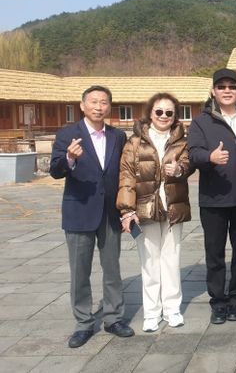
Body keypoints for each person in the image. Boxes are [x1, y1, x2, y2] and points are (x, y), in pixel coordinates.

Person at [50, 85, 134, 348]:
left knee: (112, 268)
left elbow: (124, 172)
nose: (99, 107)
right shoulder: (67, 135)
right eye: (94, 102)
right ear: (82, 105)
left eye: (104, 102)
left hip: (109, 212)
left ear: (110, 106)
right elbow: (55, 170)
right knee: (80, 271)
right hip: (79, 210)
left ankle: (114, 318)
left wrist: (126, 209)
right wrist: (69, 158)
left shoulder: (118, 136)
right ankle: (84, 323)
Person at [188, 69, 236, 324]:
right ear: (213, 91)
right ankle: (218, 301)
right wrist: (210, 157)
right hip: (213, 198)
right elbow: (192, 154)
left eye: (232, 86)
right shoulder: (201, 121)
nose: (227, 90)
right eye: (221, 86)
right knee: (215, 253)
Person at [116, 93, 191, 332]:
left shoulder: (181, 141)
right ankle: (151, 312)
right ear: (150, 113)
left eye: (169, 112)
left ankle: (172, 308)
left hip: (173, 206)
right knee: (149, 261)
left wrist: (179, 169)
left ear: (175, 116)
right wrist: (127, 210)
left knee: (171, 259)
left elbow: (187, 164)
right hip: (145, 207)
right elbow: (126, 177)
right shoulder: (134, 142)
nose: (164, 116)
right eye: (159, 111)